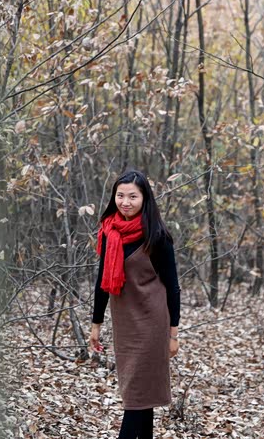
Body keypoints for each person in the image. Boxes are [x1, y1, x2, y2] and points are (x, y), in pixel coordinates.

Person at [89, 169, 181, 439]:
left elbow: (173, 287)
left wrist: (173, 335)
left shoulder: (157, 236)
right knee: (142, 396)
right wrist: (96, 324)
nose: (125, 202)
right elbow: (102, 282)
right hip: (125, 325)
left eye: (133, 196)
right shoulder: (109, 232)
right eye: (120, 196)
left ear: (144, 199)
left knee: (135, 396)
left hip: (152, 323)